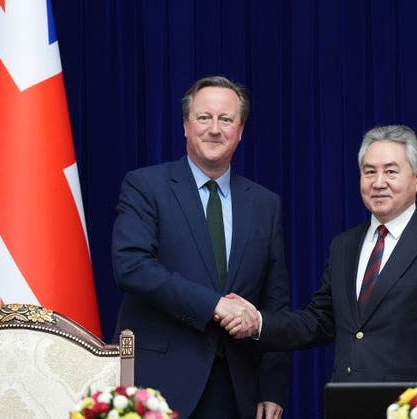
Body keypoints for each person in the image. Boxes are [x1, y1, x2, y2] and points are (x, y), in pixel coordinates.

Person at [223, 125, 417, 386]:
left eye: (391, 171)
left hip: (410, 409)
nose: (379, 183)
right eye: (369, 172)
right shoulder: (344, 246)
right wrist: (259, 322)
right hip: (346, 404)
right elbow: (318, 321)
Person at [112, 76, 290, 419]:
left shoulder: (265, 204)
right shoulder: (145, 186)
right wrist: (215, 306)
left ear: (239, 131)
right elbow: (131, 267)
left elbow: (275, 299)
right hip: (159, 385)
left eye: (226, 120)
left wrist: (272, 385)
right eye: (203, 118)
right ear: (185, 125)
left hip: (236, 388)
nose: (214, 129)